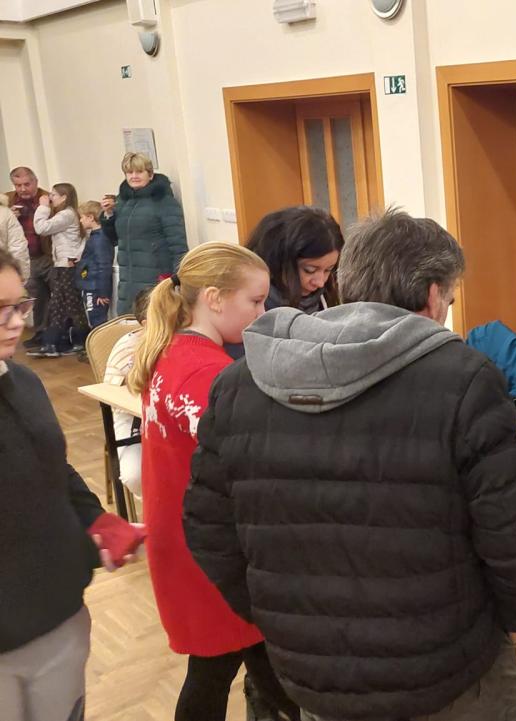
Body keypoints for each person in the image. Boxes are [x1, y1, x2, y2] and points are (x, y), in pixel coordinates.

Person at [183, 210, 516, 721]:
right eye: (449, 301)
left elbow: (207, 528)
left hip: (317, 676)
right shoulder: (464, 379)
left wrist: (282, 620)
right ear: (433, 295)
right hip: (450, 673)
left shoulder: (238, 383)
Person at [125, 243, 298, 721]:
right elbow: (248, 463)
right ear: (215, 298)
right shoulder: (207, 372)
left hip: (187, 539)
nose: (262, 313)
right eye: (255, 301)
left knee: (247, 660)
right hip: (207, 549)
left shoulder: (175, 352)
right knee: (220, 667)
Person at [0, 246, 139, 721]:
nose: (16, 322)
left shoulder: (23, 382)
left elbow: (52, 465)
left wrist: (98, 520)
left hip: (59, 616)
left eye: (20, 305)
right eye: (0, 310)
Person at [101, 152, 186, 314]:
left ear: (150, 174)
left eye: (139, 172)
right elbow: (114, 239)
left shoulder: (164, 202)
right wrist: (108, 215)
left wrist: (176, 279)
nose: (134, 176)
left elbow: (178, 244)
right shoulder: (122, 202)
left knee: (156, 321)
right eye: (129, 172)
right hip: (127, 282)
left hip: (156, 278)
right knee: (129, 323)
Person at [247, 205, 343, 313]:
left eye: (328, 270)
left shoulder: (326, 297)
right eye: (309, 270)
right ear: (278, 261)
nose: (320, 283)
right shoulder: (250, 308)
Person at [102, 289, 151, 498]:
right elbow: (116, 395)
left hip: (167, 418)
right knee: (135, 475)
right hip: (132, 417)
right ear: (146, 324)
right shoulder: (128, 347)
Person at [29, 183, 87, 357]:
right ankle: (52, 343)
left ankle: (80, 341)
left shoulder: (66, 214)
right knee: (58, 305)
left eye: (54, 194)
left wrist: (42, 207)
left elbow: (41, 228)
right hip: (62, 264)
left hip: (67, 266)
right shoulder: (66, 214)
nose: (50, 197)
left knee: (71, 304)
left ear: (64, 197)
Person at [6, 167, 50, 350]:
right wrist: (9, 216)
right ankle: (40, 334)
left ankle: (57, 335)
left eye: (27, 184)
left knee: (57, 296)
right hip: (25, 259)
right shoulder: (7, 201)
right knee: (36, 297)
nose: (22, 189)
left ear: (35, 182)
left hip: (47, 255)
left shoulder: (47, 198)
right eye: (18, 185)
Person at [74, 200, 113, 330]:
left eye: (82, 217)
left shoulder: (99, 239)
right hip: (92, 286)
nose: (80, 221)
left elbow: (104, 266)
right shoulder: (96, 237)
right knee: (94, 320)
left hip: (95, 289)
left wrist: (102, 293)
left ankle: (99, 343)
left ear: (91, 217)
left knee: (97, 322)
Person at [0, 194, 30, 281]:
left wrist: (19, 276)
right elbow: (18, 247)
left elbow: (18, 247)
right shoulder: (5, 213)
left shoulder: (5, 213)